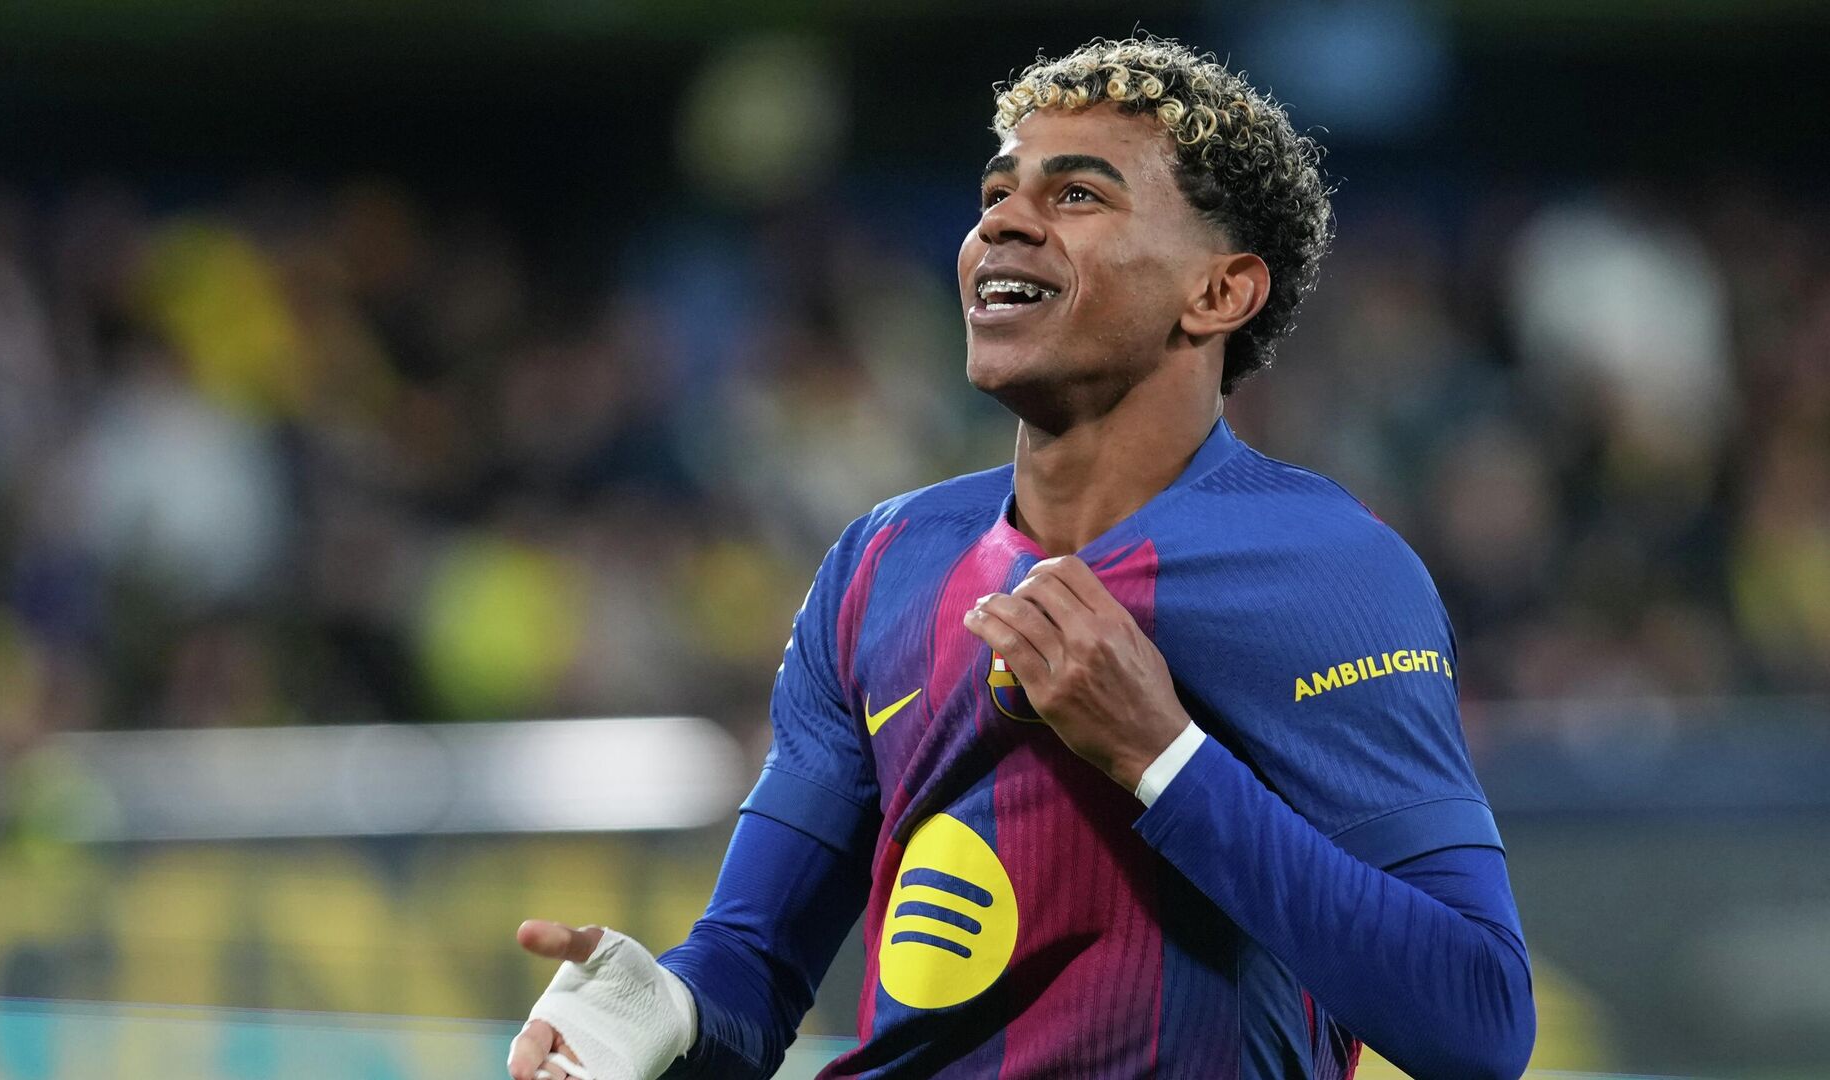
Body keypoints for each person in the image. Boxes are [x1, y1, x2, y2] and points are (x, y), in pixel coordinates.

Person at [508, 35, 1537, 1080]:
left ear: (1219, 293)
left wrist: (1165, 759)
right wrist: (663, 1015)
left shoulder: (1329, 571)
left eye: (1078, 195)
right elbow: (750, 971)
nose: (1002, 222)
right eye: (996, 194)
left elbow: (1480, 1023)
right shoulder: (881, 563)